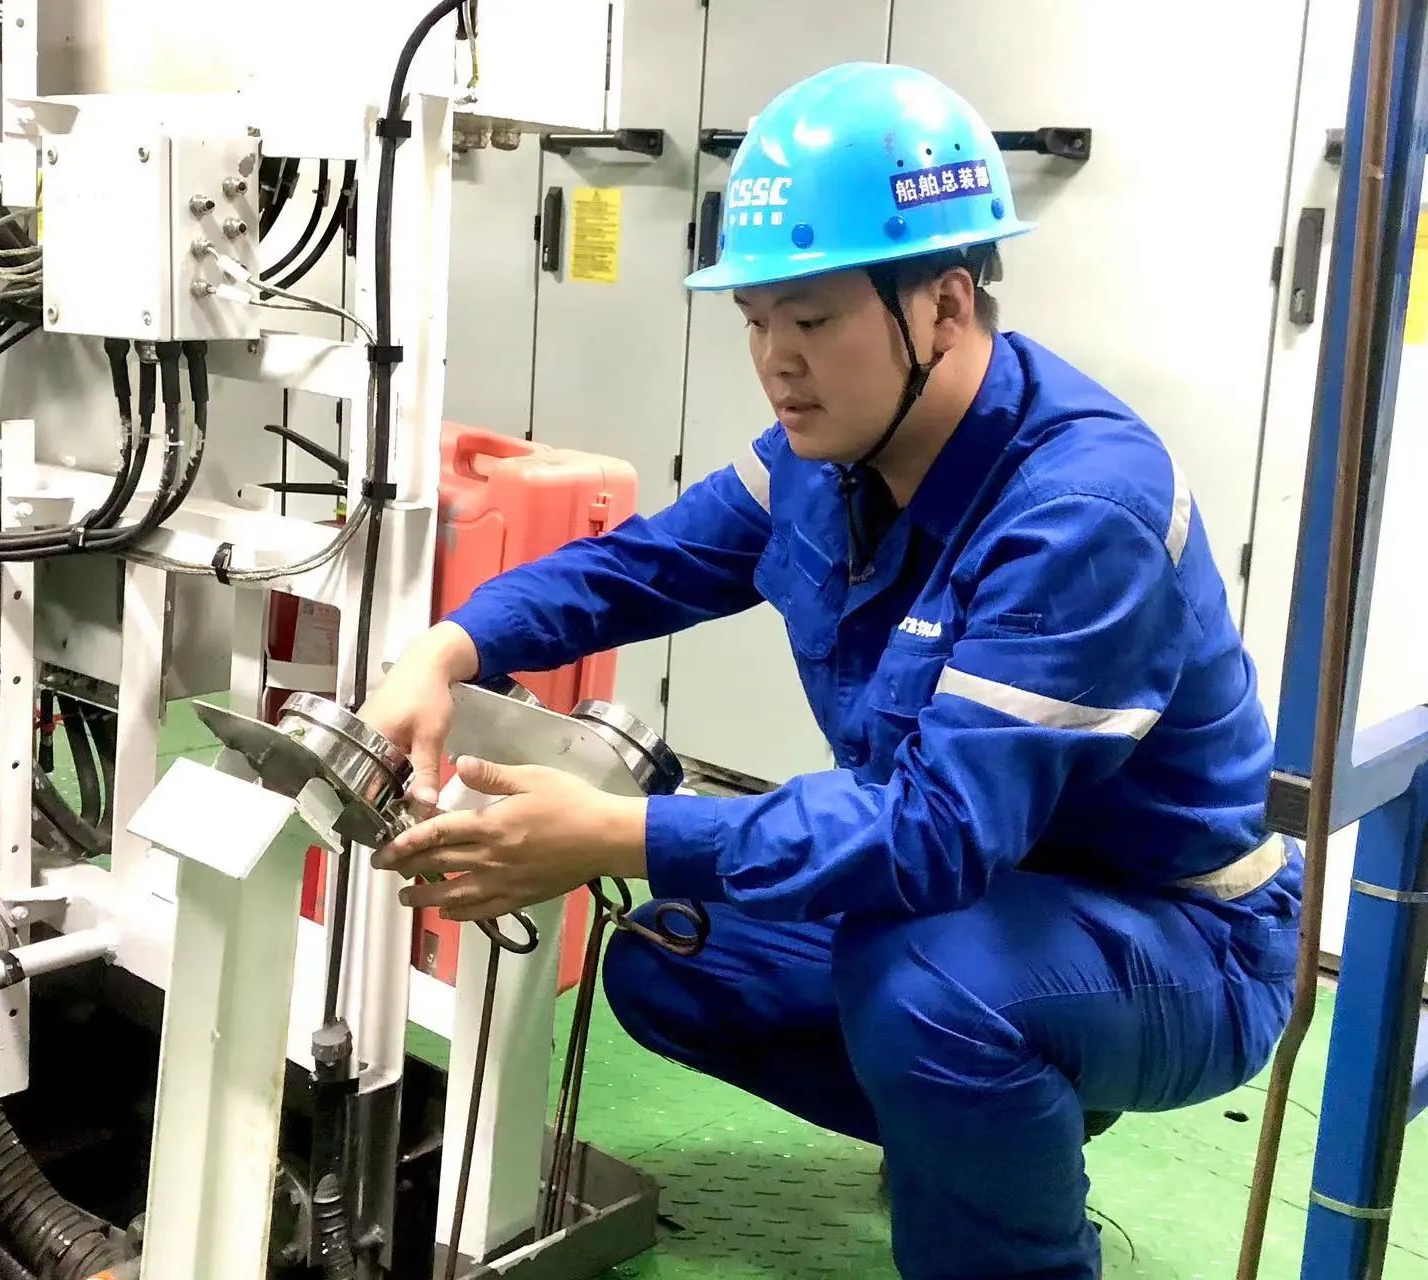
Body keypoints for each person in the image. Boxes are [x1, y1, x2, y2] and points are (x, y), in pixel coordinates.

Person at [366, 63, 1300, 1280]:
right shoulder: (823, 455)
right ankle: (1011, 1104)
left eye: (809, 320)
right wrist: (446, 647)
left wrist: (618, 830)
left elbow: (935, 833)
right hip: (995, 901)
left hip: (1184, 935)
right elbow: (642, 565)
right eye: (755, 320)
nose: (775, 360)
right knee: (673, 954)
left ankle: (1014, 1199)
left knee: (927, 985)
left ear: (942, 305)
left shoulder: (1080, 511)